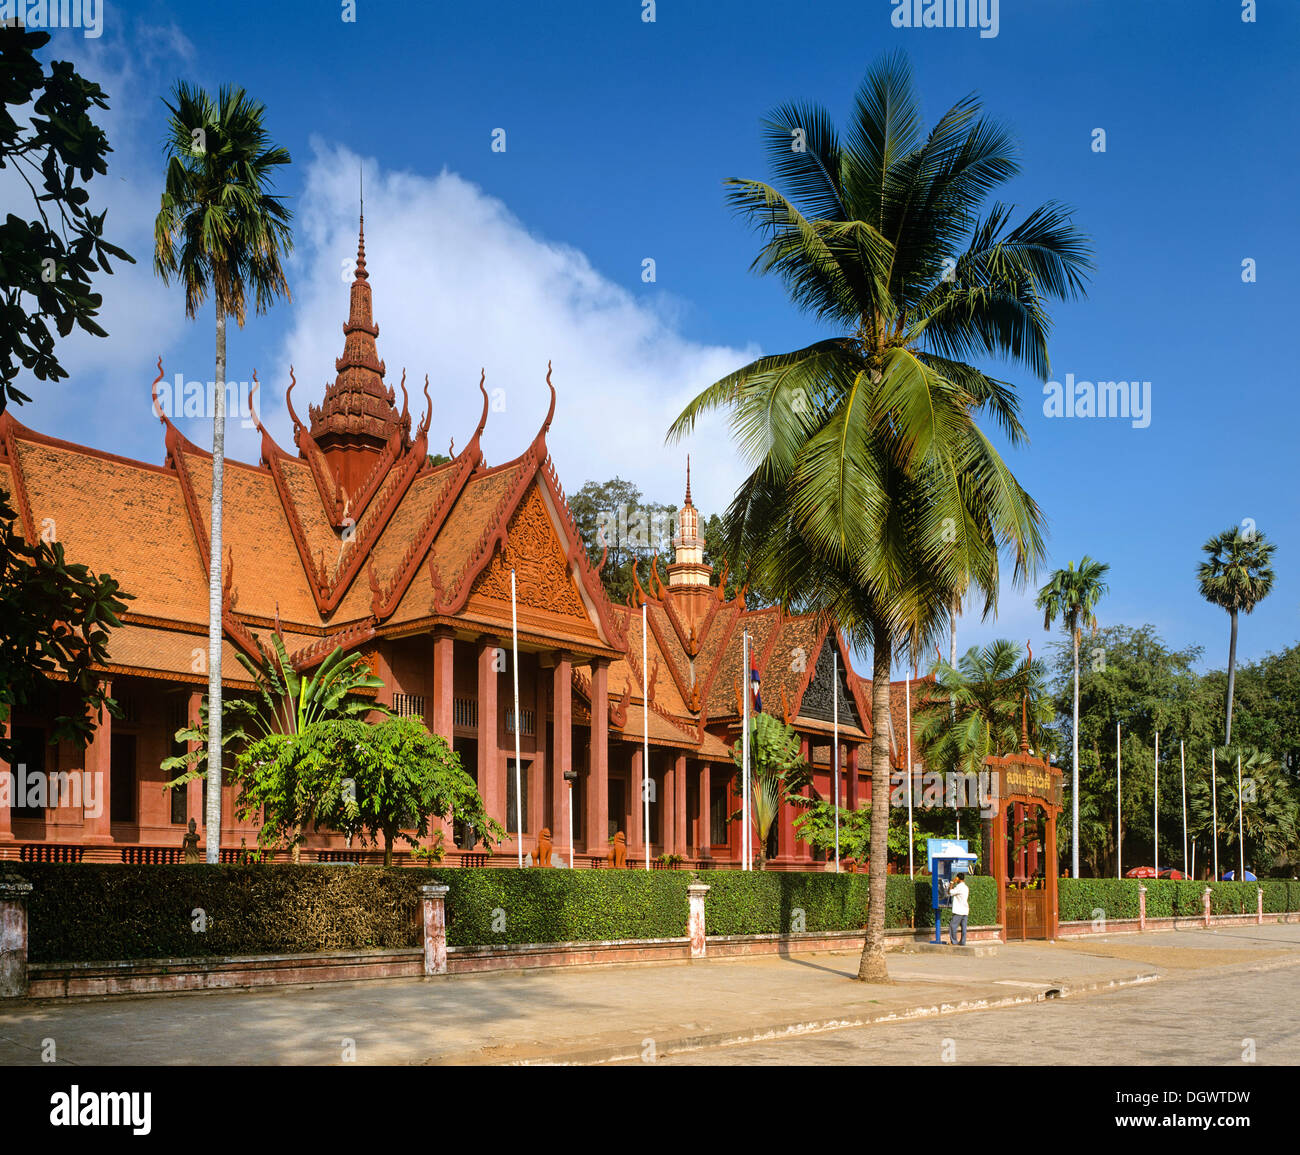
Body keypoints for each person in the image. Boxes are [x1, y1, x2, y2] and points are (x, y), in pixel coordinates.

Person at [948, 872, 970, 946]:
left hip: (959, 911)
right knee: (964, 927)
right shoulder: (966, 887)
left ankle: (954, 941)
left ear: (958, 878)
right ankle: (962, 942)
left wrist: (951, 883)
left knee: (952, 926)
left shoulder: (959, 887)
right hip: (965, 910)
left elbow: (950, 892)